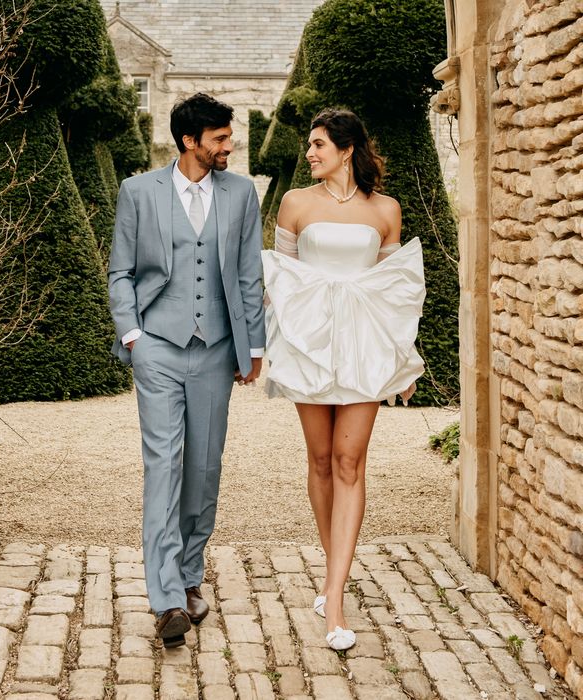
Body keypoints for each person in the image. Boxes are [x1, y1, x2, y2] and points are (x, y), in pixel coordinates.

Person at [262, 108, 425, 651]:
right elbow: (278, 282)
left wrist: (405, 358)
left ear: (346, 149)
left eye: (317, 144)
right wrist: (266, 348)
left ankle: (334, 597)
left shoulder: (385, 210)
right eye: (309, 145)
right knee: (320, 461)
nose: (309, 153)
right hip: (310, 344)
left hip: (364, 348)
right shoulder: (294, 204)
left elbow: (395, 289)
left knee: (350, 462)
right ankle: (334, 568)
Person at [108, 93, 265, 648]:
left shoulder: (242, 193)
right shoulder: (138, 192)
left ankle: (191, 574)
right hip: (157, 348)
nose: (230, 146)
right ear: (190, 141)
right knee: (163, 467)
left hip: (217, 350)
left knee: (202, 469)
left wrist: (255, 346)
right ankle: (167, 598)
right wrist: (133, 335)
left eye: (229, 137)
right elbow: (120, 269)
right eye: (220, 139)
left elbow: (249, 272)